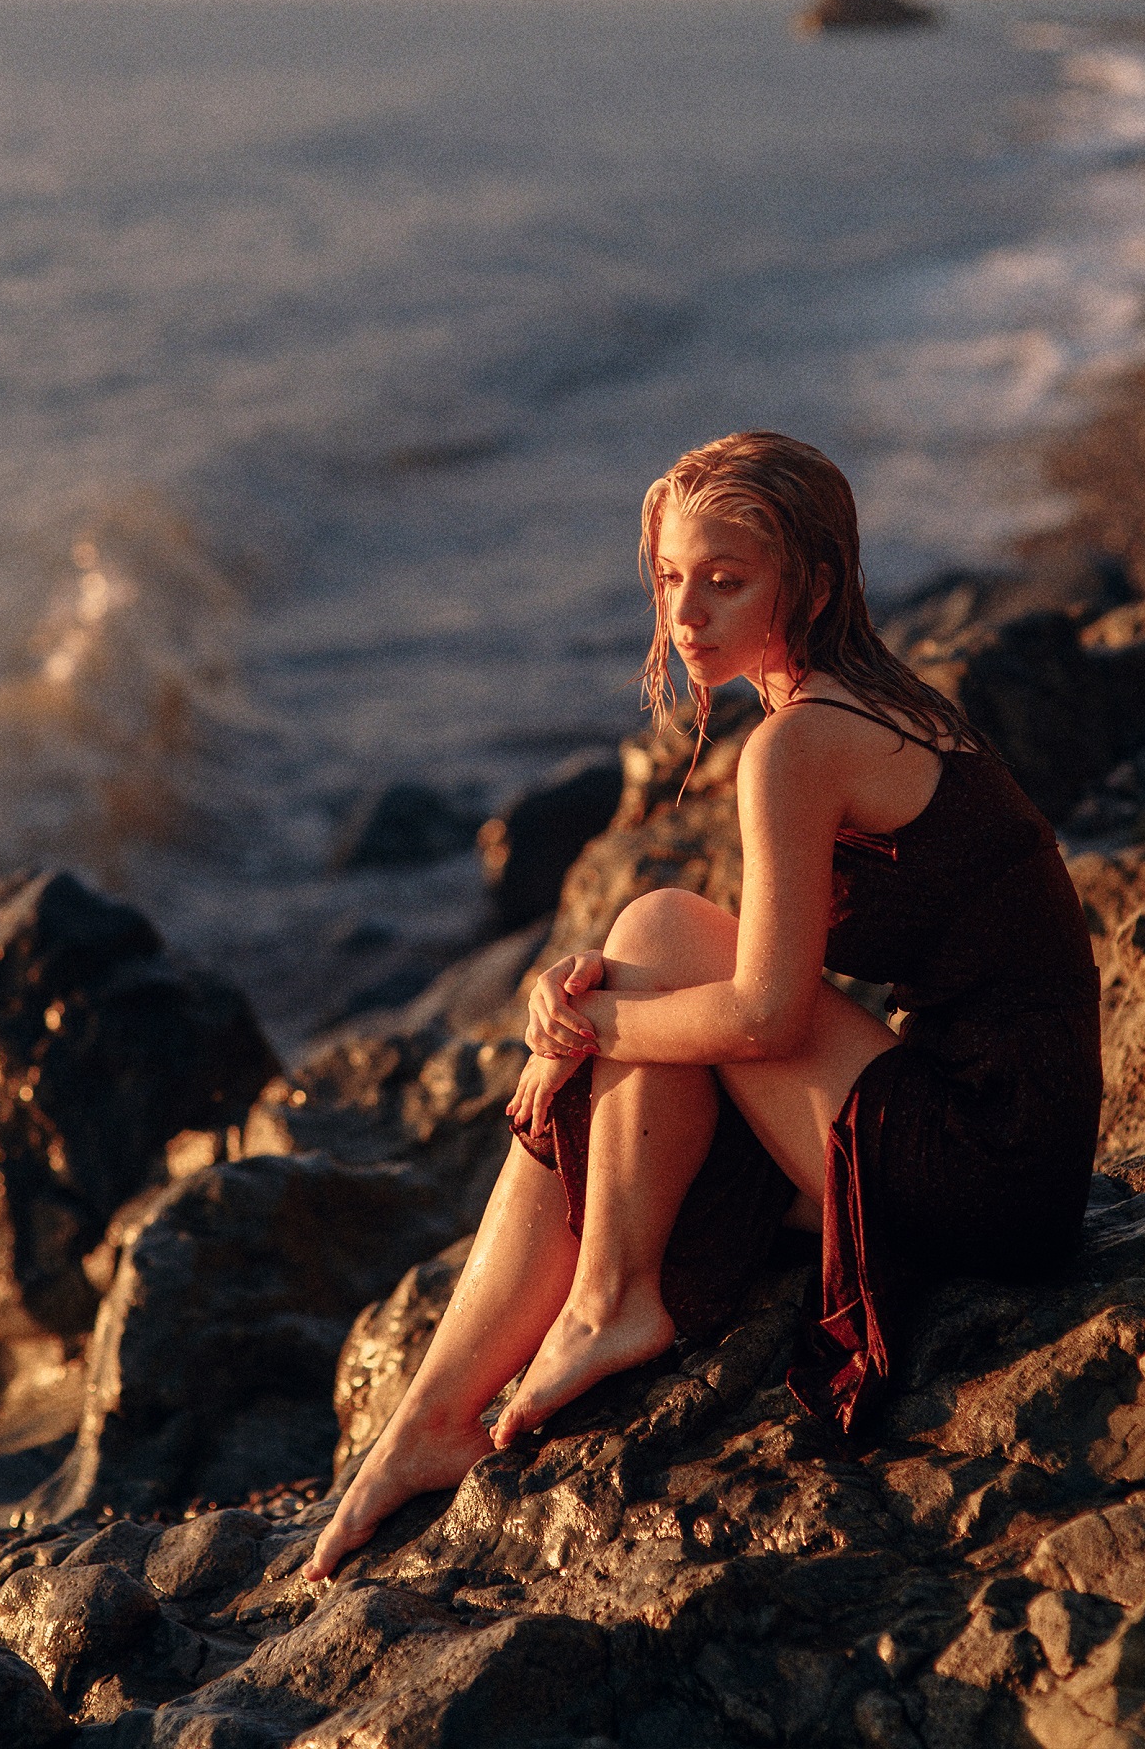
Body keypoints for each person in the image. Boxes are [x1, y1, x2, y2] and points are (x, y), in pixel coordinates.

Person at [305, 430, 1101, 1582]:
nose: (687, 614)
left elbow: (768, 1019)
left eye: (727, 582)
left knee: (648, 961)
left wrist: (595, 1029)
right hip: (1008, 1146)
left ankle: (598, 1310)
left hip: (993, 1170)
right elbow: (722, 971)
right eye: (673, 578)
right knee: (656, 929)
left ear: (813, 584)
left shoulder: (797, 745)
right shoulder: (860, 698)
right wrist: (595, 999)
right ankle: (445, 1410)